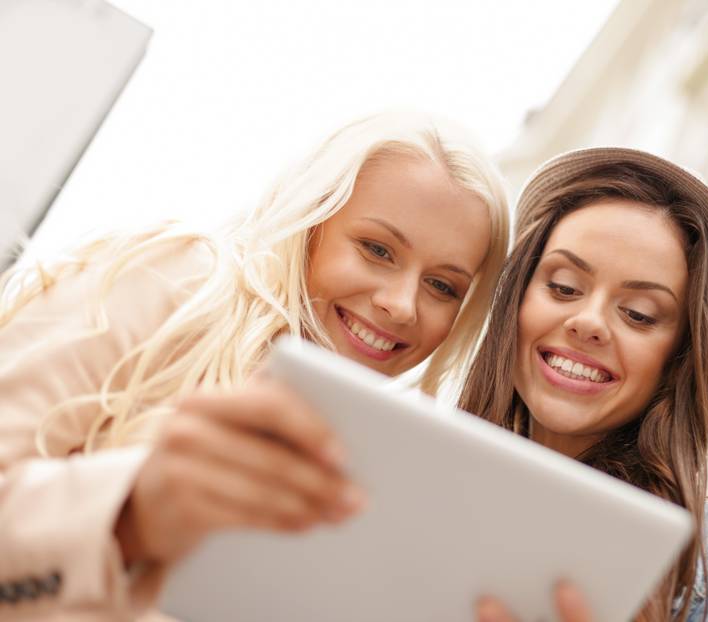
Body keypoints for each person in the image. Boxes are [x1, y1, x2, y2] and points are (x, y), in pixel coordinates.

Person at [0, 111, 509, 620]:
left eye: (442, 286)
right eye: (377, 250)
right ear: (312, 218)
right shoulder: (178, 282)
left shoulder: (380, 474)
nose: (401, 305)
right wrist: (129, 519)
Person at [459, 148, 708, 621]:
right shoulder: (415, 489)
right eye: (563, 286)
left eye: (639, 314)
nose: (589, 322)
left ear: (677, 361)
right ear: (516, 299)